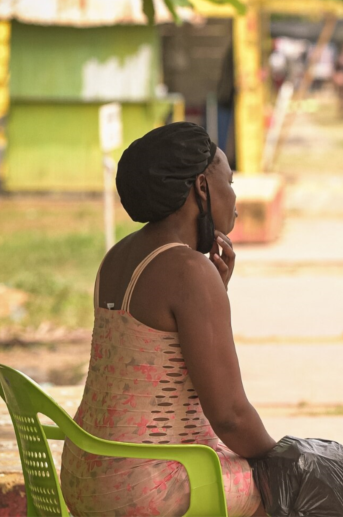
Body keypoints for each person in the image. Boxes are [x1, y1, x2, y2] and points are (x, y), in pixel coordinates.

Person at [60, 123, 275, 517]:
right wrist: (283, 461)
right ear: (202, 187)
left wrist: (216, 293)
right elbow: (230, 417)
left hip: (87, 472)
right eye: (230, 181)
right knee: (314, 486)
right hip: (147, 486)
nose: (235, 196)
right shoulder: (189, 270)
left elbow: (154, 362)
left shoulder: (118, 257)